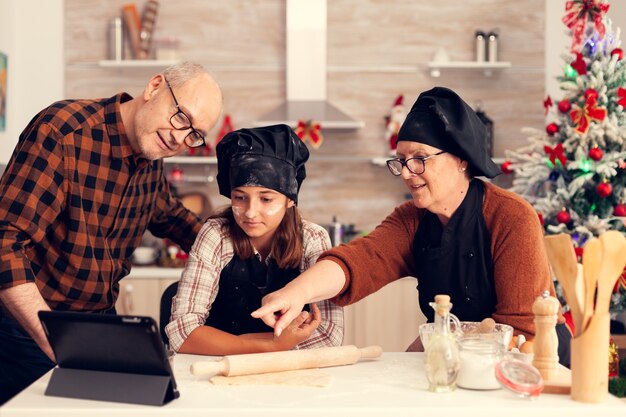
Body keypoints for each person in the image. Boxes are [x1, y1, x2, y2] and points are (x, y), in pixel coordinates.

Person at [253, 87, 572, 366]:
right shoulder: (411, 219)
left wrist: (432, 346)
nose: (406, 173)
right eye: (402, 160)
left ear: (461, 159)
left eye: (419, 159)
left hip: (535, 361)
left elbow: (520, 326)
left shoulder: (512, 217)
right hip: (460, 359)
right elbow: (362, 260)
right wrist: (296, 293)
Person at [0, 61, 223, 404]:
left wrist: (240, 243)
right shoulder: (63, 132)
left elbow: (171, 216)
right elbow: (4, 242)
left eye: (193, 134)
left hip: (98, 324)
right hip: (25, 328)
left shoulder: (151, 154)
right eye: (181, 117)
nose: (179, 137)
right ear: (155, 87)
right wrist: (52, 339)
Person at [165, 124, 343, 355]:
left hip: (286, 373)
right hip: (220, 367)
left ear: (290, 199)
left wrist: (245, 345)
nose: (250, 212)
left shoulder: (312, 238)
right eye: (240, 198)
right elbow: (181, 333)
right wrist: (273, 344)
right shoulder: (215, 235)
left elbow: (329, 335)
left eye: (266, 199)